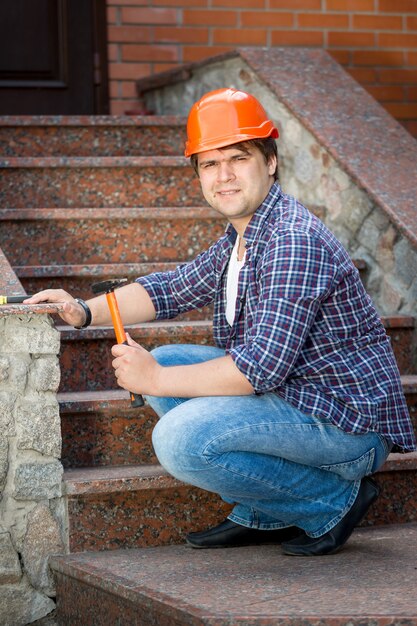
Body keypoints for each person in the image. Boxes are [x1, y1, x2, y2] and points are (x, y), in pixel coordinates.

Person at [26, 88, 416, 556]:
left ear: (269, 161)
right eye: (209, 164)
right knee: (169, 362)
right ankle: (266, 512)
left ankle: (330, 500)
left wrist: (155, 376)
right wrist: (83, 310)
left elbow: (260, 370)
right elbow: (171, 288)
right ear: (198, 174)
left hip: (343, 423)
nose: (223, 175)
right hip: (298, 393)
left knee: (179, 437)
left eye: (238, 158)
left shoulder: (293, 240)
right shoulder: (246, 233)